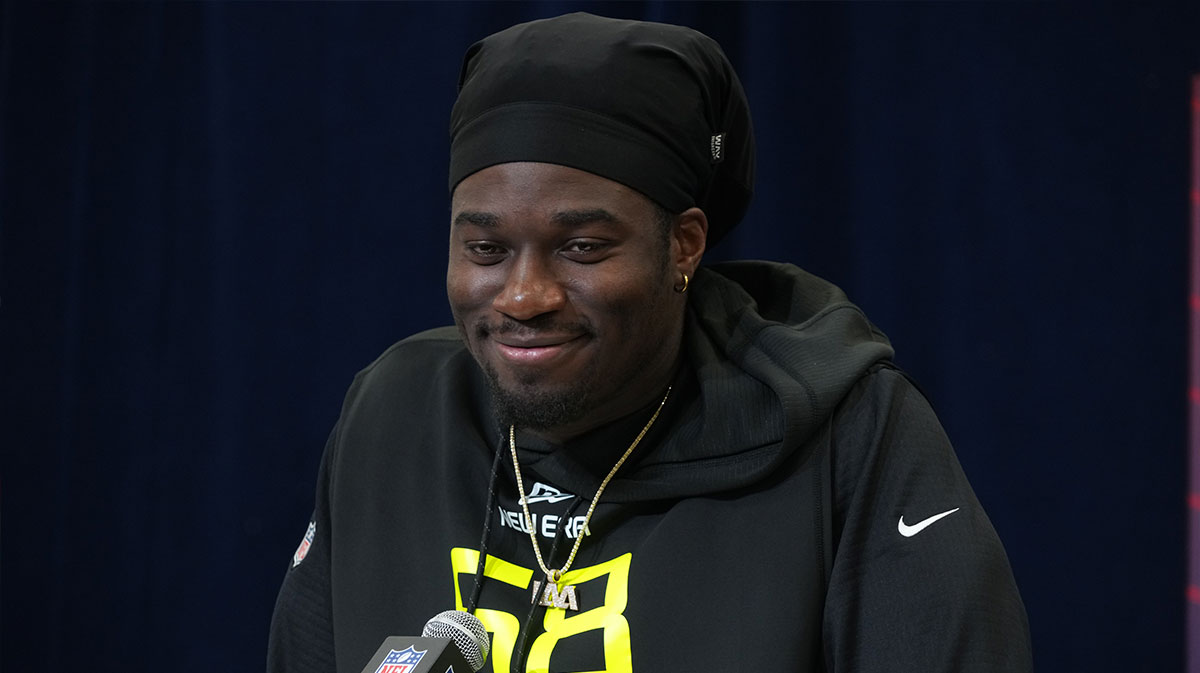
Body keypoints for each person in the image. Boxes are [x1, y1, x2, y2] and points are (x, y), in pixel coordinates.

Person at [267, 12, 1032, 673]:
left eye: (583, 247)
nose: (524, 297)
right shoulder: (392, 415)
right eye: (485, 250)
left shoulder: (848, 433)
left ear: (684, 247)